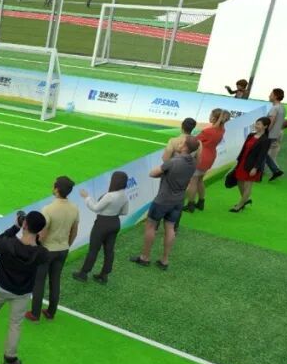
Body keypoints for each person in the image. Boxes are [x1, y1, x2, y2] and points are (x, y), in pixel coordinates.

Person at [0, 210, 48, 364]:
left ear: (25, 224)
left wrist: (15, 227)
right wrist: (37, 238)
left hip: (0, 287)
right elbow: (41, 252)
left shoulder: (9, 244)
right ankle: (10, 360)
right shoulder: (41, 253)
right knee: (15, 325)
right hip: (22, 293)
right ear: (40, 230)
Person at [130, 137, 198, 270]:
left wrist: (165, 172)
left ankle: (145, 257)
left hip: (163, 200)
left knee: (150, 226)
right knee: (170, 228)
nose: (179, 143)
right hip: (178, 201)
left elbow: (152, 173)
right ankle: (165, 260)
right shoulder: (193, 162)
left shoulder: (173, 162)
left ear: (185, 147)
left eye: (181, 142)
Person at [28, 176, 78, 322]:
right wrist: (67, 244)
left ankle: (35, 313)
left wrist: (37, 246)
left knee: (39, 282)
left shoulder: (48, 209)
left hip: (47, 250)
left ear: (57, 189)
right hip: (63, 249)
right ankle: (51, 312)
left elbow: (42, 234)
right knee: (55, 281)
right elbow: (74, 231)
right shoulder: (74, 208)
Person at [72, 171, 129, 285]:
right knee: (109, 250)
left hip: (102, 224)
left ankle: (83, 273)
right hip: (115, 223)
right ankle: (104, 275)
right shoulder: (124, 195)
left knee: (93, 250)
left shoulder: (109, 196)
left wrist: (86, 197)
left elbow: (95, 208)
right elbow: (124, 212)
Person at [186, 109, 229, 212]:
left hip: (201, 156)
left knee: (193, 181)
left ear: (214, 118)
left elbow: (194, 141)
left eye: (211, 115)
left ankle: (190, 205)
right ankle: (201, 202)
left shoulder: (208, 131)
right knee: (200, 180)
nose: (209, 116)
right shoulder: (222, 130)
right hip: (211, 156)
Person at [230, 116, 272, 213]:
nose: (256, 125)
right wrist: (238, 160)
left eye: (258, 124)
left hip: (253, 166)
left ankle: (240, 205)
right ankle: (245, 200)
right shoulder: (250, 135)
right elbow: (244, 149)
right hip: (242, 162)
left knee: (248, 185)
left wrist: (255, 168)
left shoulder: (266, 140)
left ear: (265, 126)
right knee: (239, 181)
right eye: (256, 123)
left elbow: (262, 156)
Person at [264, 88, 287, 181]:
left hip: (270, 134)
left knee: (262, 152)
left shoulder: (275, 108)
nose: (269, 96)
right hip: (277, 134)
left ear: (275, 96)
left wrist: (265, 132)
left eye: (271, 94)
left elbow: (271, 121)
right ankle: (275, 170)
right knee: (263, 152)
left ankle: (274, 170)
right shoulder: (283, 108)